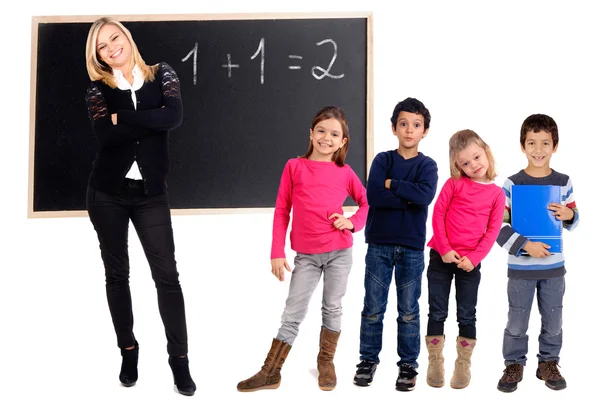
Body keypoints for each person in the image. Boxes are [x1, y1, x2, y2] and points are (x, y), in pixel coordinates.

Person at [84, 17, 195, 396]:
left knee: (168, 277)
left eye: (115, 37)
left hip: (151, 195)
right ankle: (128, 352)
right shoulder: (97, 90)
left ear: (126, 37)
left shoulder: (162, 74)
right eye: (102, 46)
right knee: (117, 276)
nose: (111, 47)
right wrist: (149, 120)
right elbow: (105, 135)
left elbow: (174, 116)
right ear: (97, 55)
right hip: (106, 194)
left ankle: (179, 361)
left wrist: (125, 117)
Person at [236, 106, 369, 392]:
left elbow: (366, 203)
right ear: (311, 133)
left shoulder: (345, 172)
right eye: (321, 131)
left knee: (332, 307)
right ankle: (271, 371)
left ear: (343, 142)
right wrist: (276, 251)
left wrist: (352, 222)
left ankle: (326, 362)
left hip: (339, 253)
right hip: (306, 256)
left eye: (335, 134)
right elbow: (282, 209)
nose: (326, 138)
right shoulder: (294, 166)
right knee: (293, 310)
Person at [353, 98, 438, 392]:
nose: (409, 130)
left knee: (409, 310)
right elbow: (374, 196)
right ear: (394, 128)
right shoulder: (382, 160)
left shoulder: (428, 165)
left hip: (412, 248)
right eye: (403, 124)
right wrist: (405, 195)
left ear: (425, 131)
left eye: (416, 125)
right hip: (379, 244)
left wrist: (393, 185)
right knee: (373, 308)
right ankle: (367, 360)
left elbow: (425, 197)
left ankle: (408, 365)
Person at [496, 114, 579, 393]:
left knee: (554, 320)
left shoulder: (563, 182)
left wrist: (569, 214)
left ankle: (548, 362)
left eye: (545, 143)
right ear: (522, 146)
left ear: (555, 146)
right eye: (532, 142)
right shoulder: (511, 184)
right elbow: (497, 227)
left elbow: (574, 220)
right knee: (517, 321)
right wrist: (525, 246)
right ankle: (514, 364)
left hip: (554, 268)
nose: (538, 149)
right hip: (521, 268)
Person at [424, 129, 505, 390]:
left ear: (486, 152)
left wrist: (474, 258)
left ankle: (463, 364)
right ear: (457, 166)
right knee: (436, 310)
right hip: (441, 257)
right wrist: (445, 249)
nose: (473, 165)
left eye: (476, 157)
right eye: (465, 163)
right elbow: (437, 215)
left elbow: (492, 231)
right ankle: (435, 361)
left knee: (467, 314)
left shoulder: (496, 194)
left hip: (470, 263)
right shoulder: (454, 184)